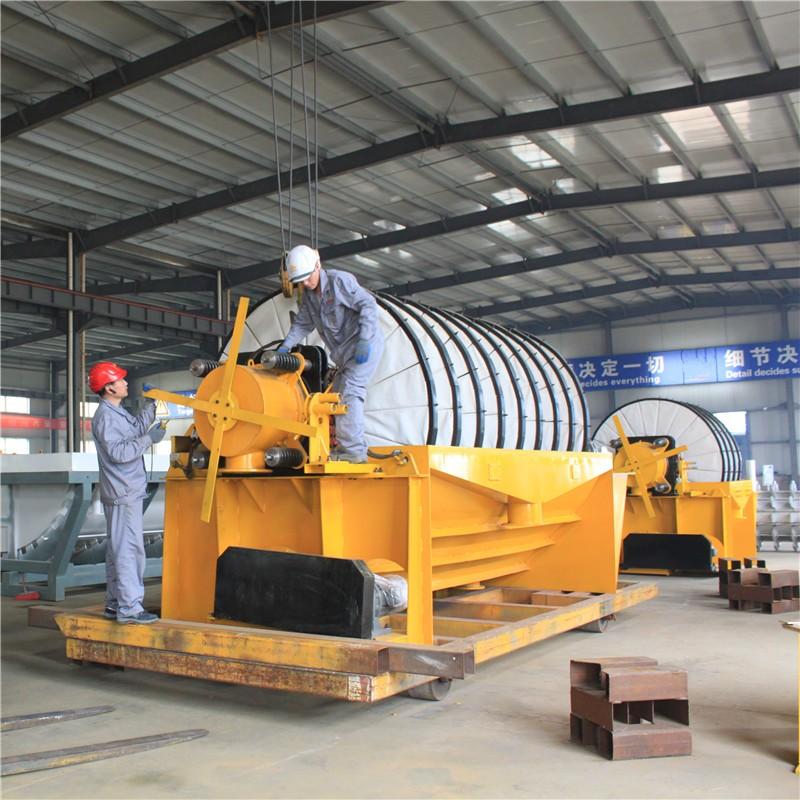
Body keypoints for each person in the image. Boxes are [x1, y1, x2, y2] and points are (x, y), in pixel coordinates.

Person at [279, 244, 384, 463]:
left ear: (318, 265)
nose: (305, 284)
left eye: (308, 278)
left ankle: (353, 453)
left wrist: (365, 339)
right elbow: (302, 323)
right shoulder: (309, 296)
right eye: (301, 281)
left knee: (350, 392)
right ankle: (345, 447)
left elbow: (368, 305)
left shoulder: (339, 282)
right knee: (333, 395)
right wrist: (285, 346)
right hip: (344, 354)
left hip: (363, 346)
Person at [88, 361, 166, 624]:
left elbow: (135, 429)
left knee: (118, 550)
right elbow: (119, 453)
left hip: (126, 490)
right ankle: (130, 608)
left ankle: (114, 604)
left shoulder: (116, 412)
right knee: (128, 551)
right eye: (120, 380)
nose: (125, 383)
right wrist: (149, 440)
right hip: (123, 492)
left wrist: (151, 404)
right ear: (109, 388)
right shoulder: (106, 417)